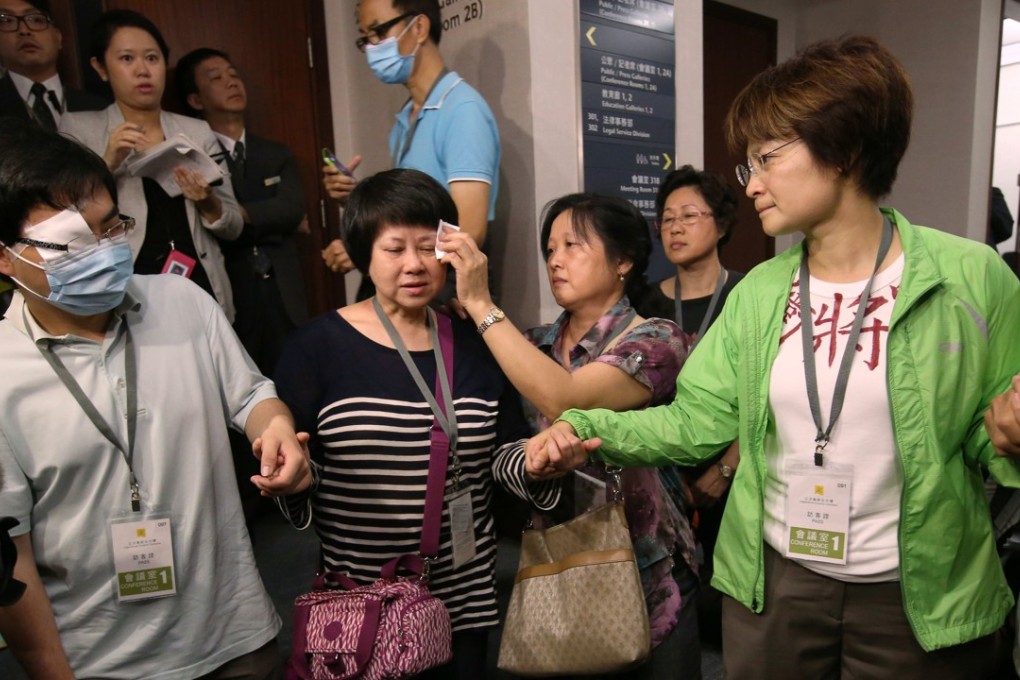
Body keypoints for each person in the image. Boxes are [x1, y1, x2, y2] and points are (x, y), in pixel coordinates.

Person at [527, 35, 1020, 680]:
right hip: (776, 589)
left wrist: (1007, 437)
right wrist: (585, 429)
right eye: (748, 164)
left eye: (767, 158)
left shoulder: (971, 277)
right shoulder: (760, 293)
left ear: (842, 150)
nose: (751, 183)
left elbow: (988, 433)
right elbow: (694, 420)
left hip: (916, 592)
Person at [0, 119, 311, 679]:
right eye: (73, 242)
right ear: (6, 257)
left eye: (110, 228)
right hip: (102, 661)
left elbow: (253, 395)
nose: (102, 252)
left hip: (235, 637)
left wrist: (277, 429)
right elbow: (11, 556)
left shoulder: (180, 300)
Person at [273, 168, 528, 679]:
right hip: (361, 603)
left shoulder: (476, 340)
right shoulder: (317, 346)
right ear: (365, 254)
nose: (414, 264)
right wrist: (294, 476)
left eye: (427, 246)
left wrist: (541, 459)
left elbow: (505, 453)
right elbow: (298, 459)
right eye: (394, 249)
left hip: (464, 592)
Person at [439, 193, 700, 678]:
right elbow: (500, 451)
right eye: (551, 249)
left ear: (623, 259)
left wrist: (480, 303)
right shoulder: (532, 346)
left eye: (573, 246)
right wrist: (529, 462)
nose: (556, 260)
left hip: (648, 567)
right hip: (559, 564)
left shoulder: (657, 338)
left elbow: (567, 399)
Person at [60, 9, 243, 321]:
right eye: (127, 59)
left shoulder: (196, 131)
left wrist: (207, 201)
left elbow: (233, 226)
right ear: (101, 68)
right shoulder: (79, 129)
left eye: (152, 59)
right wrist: (108, 163)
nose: (143, 70)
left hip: (199, 283)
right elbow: (66, 224)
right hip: (126, 286)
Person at [320, 0, 500, 300]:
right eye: (366, 39)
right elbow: (412, 212)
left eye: (378, 31)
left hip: (442, 294)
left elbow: (468, 231)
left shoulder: (462, 110)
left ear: (418, 27)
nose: (373, 48)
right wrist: (353, 198)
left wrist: (369, 252)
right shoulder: (407, 117)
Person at [634, 164, 744, 645]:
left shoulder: (749, 295)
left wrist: (725, 469)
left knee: (730, 603)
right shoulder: (642, 300)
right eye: (666, 217)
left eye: (689, 215)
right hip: (663, 471)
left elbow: (771, 395)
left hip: (736, 470)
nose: (674, 227)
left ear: (720, 224)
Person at [176, 46, 308, 376]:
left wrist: (229, 211)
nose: (231, 82)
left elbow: (292, 209)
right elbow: (210, 225)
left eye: (233, 74)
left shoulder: (276, 153)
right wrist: (270, 218)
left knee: (297, 378)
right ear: (195, 100)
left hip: (284, 290)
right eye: (216, 78)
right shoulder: (193, 157)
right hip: (233, 288)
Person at [0, 0, 107, 128]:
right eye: (7, 21)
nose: (24, 30)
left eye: (36, 20)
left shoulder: (100, 109)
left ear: (58, 38)